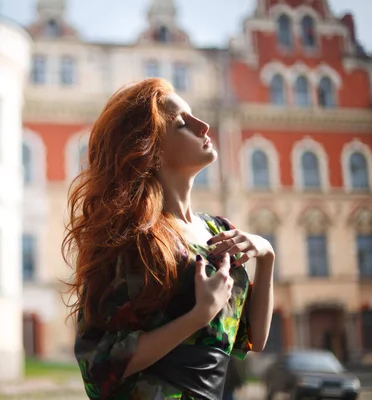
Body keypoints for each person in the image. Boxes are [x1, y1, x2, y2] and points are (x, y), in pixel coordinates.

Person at [62, 78, 275, 399]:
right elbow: (98, 367)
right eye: (182, 124)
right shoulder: (130, 238)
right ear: (153, 152)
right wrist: (198, 316)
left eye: (194, 116)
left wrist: (267, 254)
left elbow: (254, 339)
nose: (203, 126)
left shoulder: (218, 231)